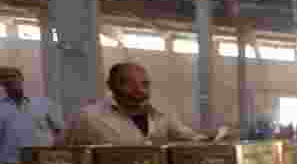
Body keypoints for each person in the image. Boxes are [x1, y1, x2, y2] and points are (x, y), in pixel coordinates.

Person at [62, 62, 214, 145]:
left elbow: (188, 137)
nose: (139, 90)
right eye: (128, 83)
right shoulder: (88, 117)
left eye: (144, 84)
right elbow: (62, 151)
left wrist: (210, 138)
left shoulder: (161, 114)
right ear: (110, 85)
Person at [0, 67, 63, 164]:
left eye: (13, 76)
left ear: (21, 78)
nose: (10, 80)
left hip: (43, 161)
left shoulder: (44, 103)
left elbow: (60, 131)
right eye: (5, 77)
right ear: (1, 82)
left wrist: (55, 155)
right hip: (11, 163)